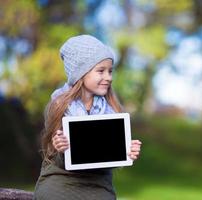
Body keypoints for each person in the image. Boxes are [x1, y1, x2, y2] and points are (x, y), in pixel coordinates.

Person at [33, 35, 142, 200]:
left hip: (97, 184)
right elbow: (56, 157)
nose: (109, 77)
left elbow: (109, 157)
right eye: (101, 71)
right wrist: (59, 147)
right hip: (61, 180)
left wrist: (126, 151)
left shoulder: (111, 108)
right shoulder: (58, 105)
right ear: (80, 74)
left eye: (110, 71)